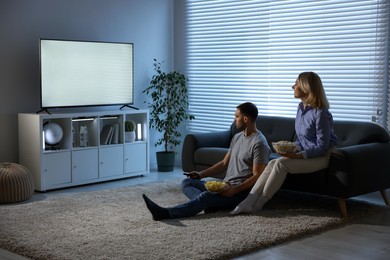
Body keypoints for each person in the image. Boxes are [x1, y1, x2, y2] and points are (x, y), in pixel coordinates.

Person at [230, 72, 338, 215]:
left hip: (324, 156)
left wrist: (299, 156)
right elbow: (302, 139)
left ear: (306, 87)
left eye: (296, 83)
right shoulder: (301, 108)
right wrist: (293, 151)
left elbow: (322, 146)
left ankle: (258, 205)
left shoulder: (321, 113)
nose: (292, 86)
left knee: (281, 164)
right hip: (309, 153)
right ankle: (248, 202)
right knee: (272, 163)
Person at [142, 102, 271, 221]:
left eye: (236, 117)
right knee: (187, 182)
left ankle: (166, 213)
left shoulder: (259, 143)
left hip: (240, 194)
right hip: (225, 186)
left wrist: (234, 190)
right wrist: (201, 174)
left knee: (205, 197)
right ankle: (211, 204)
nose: (234, 120)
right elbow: (224, 163)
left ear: (245, 119)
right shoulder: (237, 137)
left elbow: (257, 176)